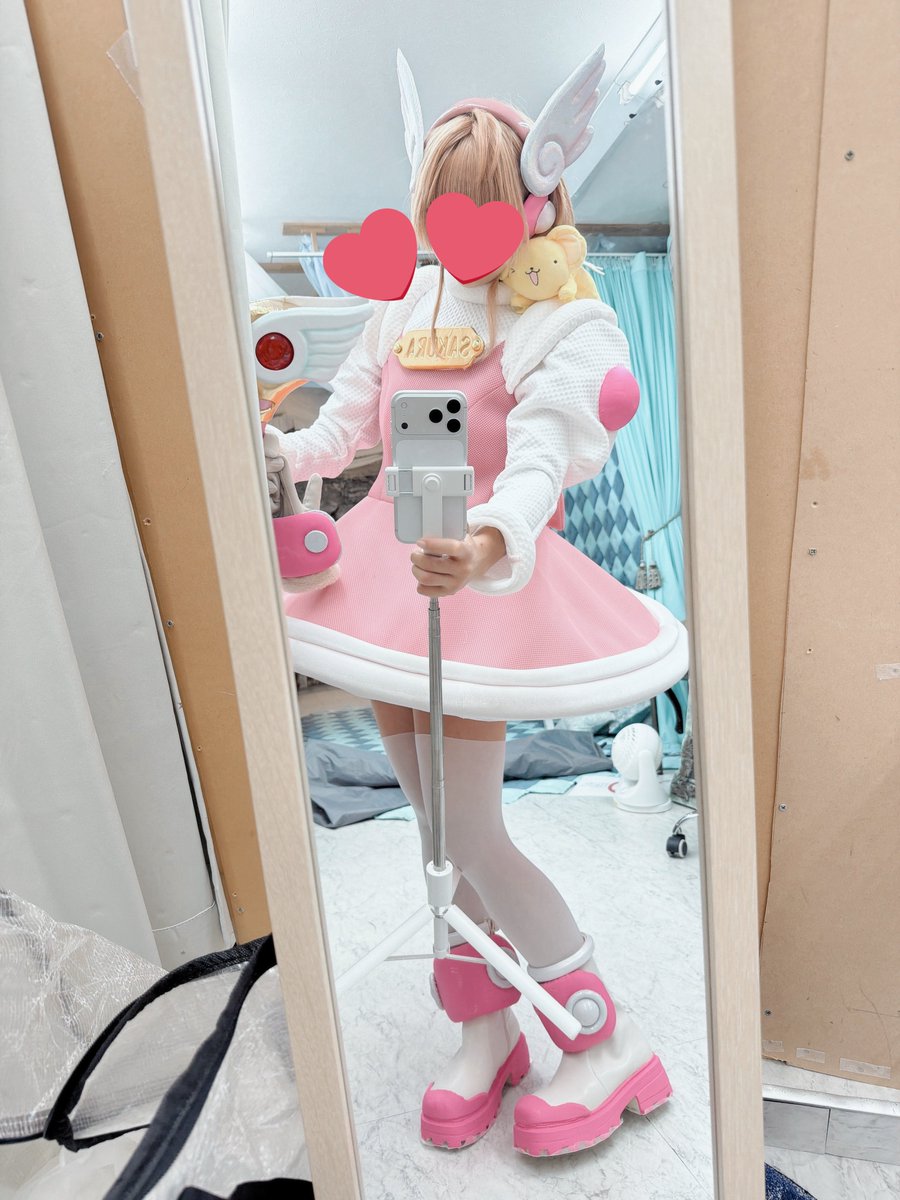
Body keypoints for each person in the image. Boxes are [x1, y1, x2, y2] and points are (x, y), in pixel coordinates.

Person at [264, 50, 687, 1157]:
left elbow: (544, 453)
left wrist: (491, 537)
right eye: (442, 200)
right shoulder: (407, 300)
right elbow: (344, 424)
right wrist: (277, 453)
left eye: (480, 200)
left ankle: (601, 1036)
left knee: (473, 830)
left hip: (478, 575)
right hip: (394, 570)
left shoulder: (560, 317)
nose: (458, 224)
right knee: (435, 831)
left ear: (535, 197)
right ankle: (486, 1027)